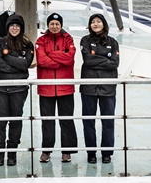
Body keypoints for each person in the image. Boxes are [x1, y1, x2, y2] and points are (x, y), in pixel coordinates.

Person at [0, 13, 34, 166]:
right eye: (12, 25)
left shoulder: (27, 45)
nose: (14, 28)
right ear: (7, 27)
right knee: (0, 122)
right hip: (0, 89)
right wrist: (17, 64)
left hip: (18, 89)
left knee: (15, 121)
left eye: (17, 26)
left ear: (21, 28)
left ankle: (12, 153)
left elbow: (25, 64)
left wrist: (7, 58)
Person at [35, 12, 77, 162]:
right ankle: (46, 150)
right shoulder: (41, 40)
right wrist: (60, 58)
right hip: (46, 87)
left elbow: (70, 58)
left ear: (61, 25)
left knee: (66, 120)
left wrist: (51, 54)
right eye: (52, 24)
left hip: (65, 87)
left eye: (57, 24)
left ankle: (67, 151)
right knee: (47, 120)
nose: (54, 26)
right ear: (48, 25)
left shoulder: (68, 39)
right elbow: (42, 60)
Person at [79, 12, 120, 164]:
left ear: (104, 24)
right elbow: (87, 60)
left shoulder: (113, 42)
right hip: (89, 87)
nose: (95, 24)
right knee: (88, 121)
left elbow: (115, 63)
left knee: (108, 121)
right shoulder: (85, 40)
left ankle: (106, 152)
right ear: (90, 25)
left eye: (98, 21)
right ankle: (91, 152)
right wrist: (105, 60)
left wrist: (96, 60)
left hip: (107, 87)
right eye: (93, 22)